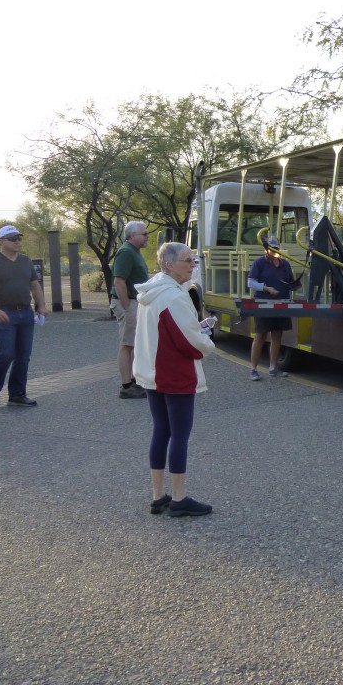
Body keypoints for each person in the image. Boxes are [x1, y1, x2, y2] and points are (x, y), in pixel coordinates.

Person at [133, 242, 216, 517]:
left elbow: (168, 329)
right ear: (169, 264)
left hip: (151, 370)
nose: (193, 264)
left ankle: (158, 495)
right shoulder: (175, 297)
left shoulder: (153, 289)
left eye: (193, 260)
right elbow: (188, 341)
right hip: (174, 372)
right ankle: (179, 497)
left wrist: (196, 330)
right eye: (187, 260)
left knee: (161, 430)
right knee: (180, 434)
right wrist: (207, 341)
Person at [0, 225, 48, 409]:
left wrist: (41, 305)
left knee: (23, 355)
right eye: (12, 238)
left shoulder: (25, 261)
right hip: (4, 313)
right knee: (5, 353)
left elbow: (35, 285)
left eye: (19, 238)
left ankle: (17, 394)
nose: (17, 241)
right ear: (1, 242)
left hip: (25, 312)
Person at [111, 221, 151, 399]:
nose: (147, 236)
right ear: (132, 235)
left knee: (134, 343)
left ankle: (134, 381)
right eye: (144, 234)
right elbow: (119, 281)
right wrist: (127, 306)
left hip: (134, 303)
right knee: (127, 344)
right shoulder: (126, 252)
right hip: (128, 303)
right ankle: (127, 386)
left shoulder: (133, 251)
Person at [248, 235, 295, 381]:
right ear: (266, 249)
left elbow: (291, 281)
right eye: (271, 249)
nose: (274, 251)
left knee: (277, 334)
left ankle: (273, 367)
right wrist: (266, 288)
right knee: (260, 335)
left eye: (276, 249)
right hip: (263, 303)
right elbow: (250, 282)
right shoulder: (259, 263)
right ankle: (253, 369)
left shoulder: (284, 264)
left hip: (281, 303)